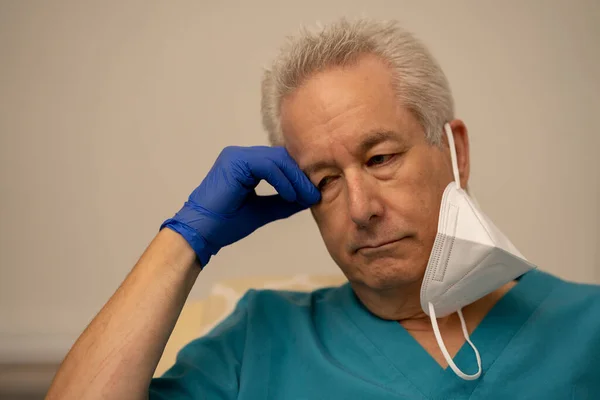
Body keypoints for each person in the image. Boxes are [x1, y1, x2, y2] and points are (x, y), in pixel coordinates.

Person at [46, 18, 600, 400]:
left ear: (455, 151)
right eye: (325, 180)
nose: (360, 209)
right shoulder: (259, 339)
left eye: (380, 157)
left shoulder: (585, 329)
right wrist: (186, 238)